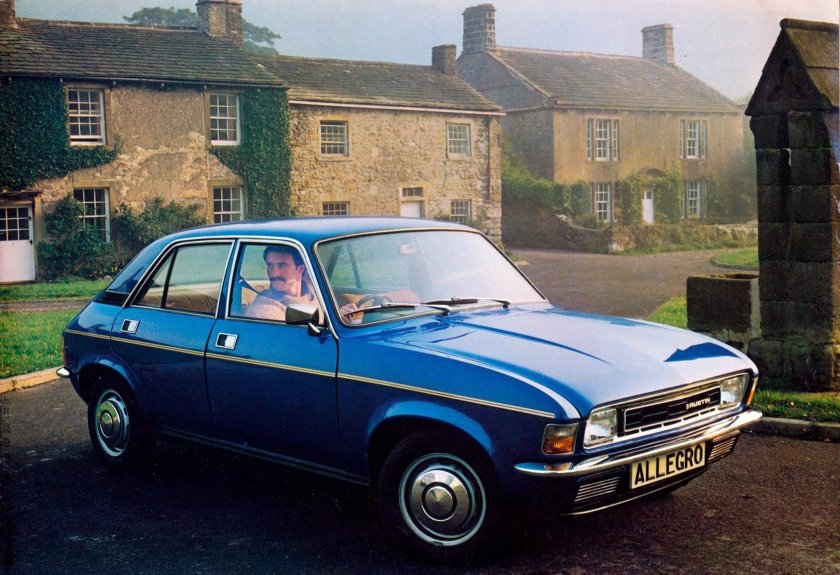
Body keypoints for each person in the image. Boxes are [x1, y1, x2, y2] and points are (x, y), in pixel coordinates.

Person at [245, 245, 321, 322]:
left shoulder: (317, 296)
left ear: (300, 269)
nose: (275, 274)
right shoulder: (263, 312)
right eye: (270, 266)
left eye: (282, 265)